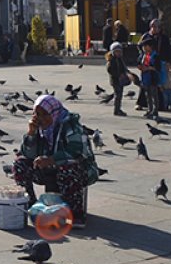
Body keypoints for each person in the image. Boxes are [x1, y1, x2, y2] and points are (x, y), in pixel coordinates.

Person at [16, 94, 99, 228]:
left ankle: (76, 213)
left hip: (79, 171)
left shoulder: (70, 126)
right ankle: (31, 206)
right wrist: (31, 134)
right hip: (48, 169)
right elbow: (27, 154)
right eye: (37, 114)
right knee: (20, 163)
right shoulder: (38, 127)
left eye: (45, 114)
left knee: (68, 168)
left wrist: (52, 159)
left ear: (54, 113)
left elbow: (76, 152)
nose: (41, 119)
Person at [138, 39, 161, 120]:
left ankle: (155, 110)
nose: (143, 48)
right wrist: (140, 67)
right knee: (148, 95)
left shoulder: (155, 55)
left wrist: (148, 68)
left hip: (152, 78)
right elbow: (139, 63)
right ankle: (149, 109)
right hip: (145, 78)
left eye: (145, 46)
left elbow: (158, 68)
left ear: (150, 47)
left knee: (154, 95)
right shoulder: (143, 55)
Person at [105, 41, 130, 116]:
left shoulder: (120, 59)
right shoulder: (111, 60)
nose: (118, 53)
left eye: (119, 51)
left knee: (120, 95)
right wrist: (119, 75)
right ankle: (116, 110)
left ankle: (118, 108)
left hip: (120, 80)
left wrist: (127, 72)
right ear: (113, 52)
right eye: (117, 52)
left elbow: (124, 67)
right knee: (118, 95)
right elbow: (110, 70)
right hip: (115, 80)